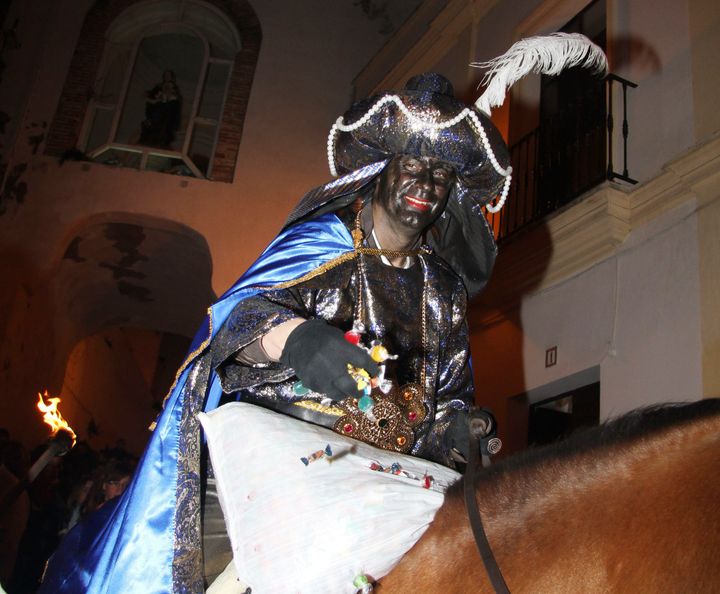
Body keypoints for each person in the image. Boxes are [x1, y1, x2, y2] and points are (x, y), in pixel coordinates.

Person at [41, 34, 606, 593]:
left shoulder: (442, 291)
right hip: (283, 459)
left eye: (441, 176)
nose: (425, 185)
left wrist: (459, 424)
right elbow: (238, 320)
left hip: (389, 480)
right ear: (381, 170)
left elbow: (446, 396)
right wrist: (294, 339)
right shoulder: (323, 243)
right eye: (413, 165)